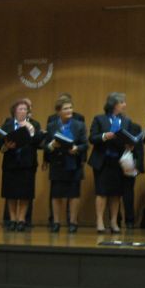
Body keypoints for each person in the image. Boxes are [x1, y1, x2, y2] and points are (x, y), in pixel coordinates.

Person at [88, 92, 135, 234]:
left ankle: (114, 222)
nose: (125, 105)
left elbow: (129, 138)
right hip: (102, 161)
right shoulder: (99, 119)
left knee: (116, 193)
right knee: (101, 192)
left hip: (118, 162)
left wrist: (130, 145)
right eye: (122, 102)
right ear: (114, 104)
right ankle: (100, 221)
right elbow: (92, 138)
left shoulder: (126, 121)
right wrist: (104, 136)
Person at [44, 94, 88, 233]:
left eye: (70, 108)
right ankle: (56, 222)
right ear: (58, 111)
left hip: (74, 164)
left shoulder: (79, 125)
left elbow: (85, 144)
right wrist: (52, 145)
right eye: (65, 108)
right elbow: (46, 146)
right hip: (57, 164)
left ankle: (73, 222)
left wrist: (77, 148)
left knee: (74, 194)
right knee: (56, 195)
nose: (69, 110)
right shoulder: (51, 126)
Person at [0, 99, 42, 232]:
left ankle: (21, 220)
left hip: (27, 164)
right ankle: (12, 219)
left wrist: (32, 131)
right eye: (20, 109)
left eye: (25, 109)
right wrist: (6, 145)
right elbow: (0, 143)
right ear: (14, 111)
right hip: (11, 163)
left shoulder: (34, 124)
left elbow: (39, 142)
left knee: (25, 194)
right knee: (10, 193)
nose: (23, 111)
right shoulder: (8, 124)